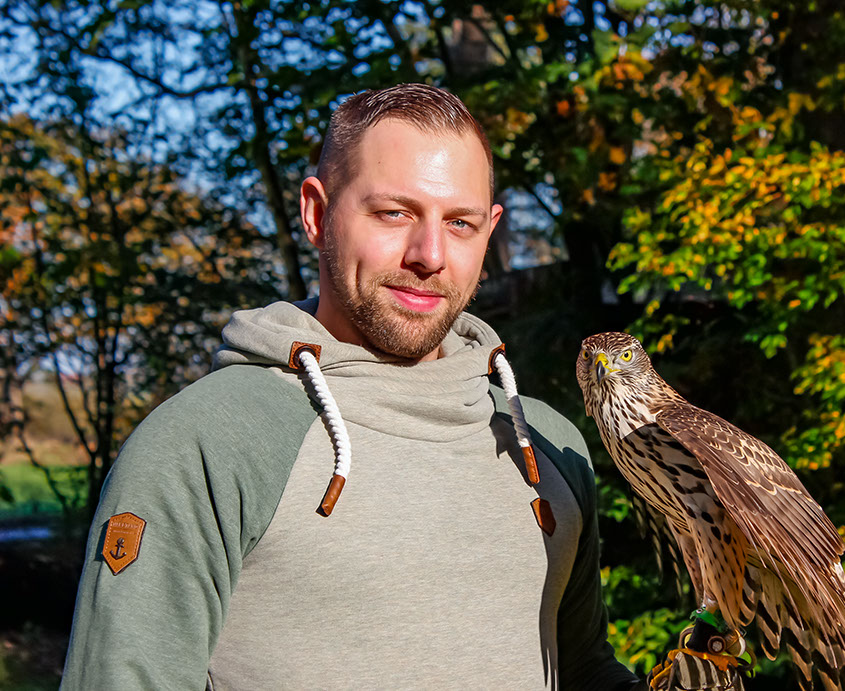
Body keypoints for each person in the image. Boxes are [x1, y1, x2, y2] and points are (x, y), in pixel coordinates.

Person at [61, 83, 644, 690]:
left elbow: (580, 672)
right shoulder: (208, 441)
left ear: (490, 231)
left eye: (461, 223)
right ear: (317, 214)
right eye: (395, 213)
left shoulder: (548, 446)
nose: (430, 254)